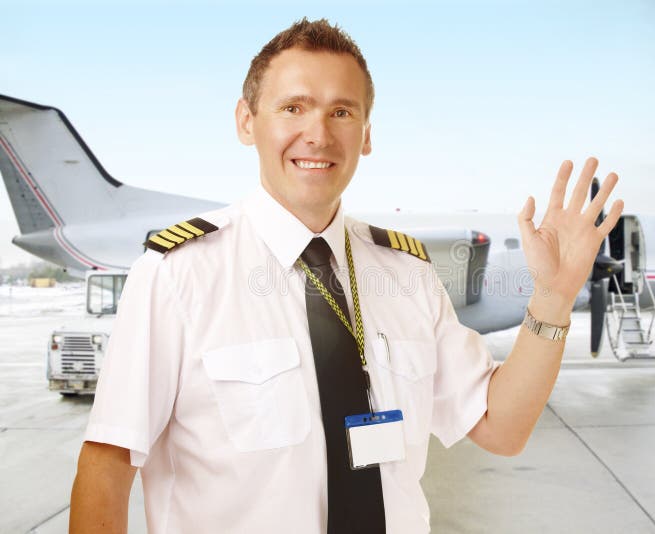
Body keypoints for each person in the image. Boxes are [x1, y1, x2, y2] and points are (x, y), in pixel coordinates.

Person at [69, 17, 622, 534]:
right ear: (246, 121)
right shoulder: (177, 275)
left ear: (366, 134)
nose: (318, 134)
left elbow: (502, 428)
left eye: (341, 112)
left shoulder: (407, 275)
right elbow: (107, 464)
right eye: (293, 107)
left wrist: (553, 297)